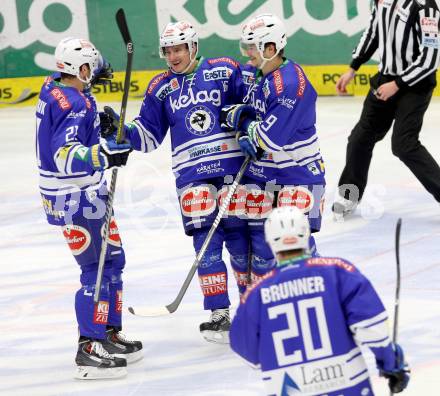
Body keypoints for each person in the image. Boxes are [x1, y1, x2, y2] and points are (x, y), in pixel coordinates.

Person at [104, 21, 250, 343]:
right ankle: (219, 314)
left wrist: (248, 121)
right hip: (191, 176)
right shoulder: (160, 87)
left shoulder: (225, 70)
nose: (173, 56)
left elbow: (252, 103)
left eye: (179, 49)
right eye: (168, 51)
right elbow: (147, 136)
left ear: (193, 47)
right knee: (205, 245)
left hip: (232, 167)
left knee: (241, 240)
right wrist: (121, 131)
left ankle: (252, 308)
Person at [35, 37, 142, 379]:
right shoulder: (74, 103)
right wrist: (102, 153)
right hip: (74, 196)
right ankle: (88, 346)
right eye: (92, 69)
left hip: (84, 193)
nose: (97, 73)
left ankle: (107, 334)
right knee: (95, 269)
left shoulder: (59, 89)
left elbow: (71, 134)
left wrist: (99, 133)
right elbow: (63, 155)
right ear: (80, 70)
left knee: (113, 260)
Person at [230, 206, 410, 395]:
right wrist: (391, 363)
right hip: (347, 384)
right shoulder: (338, 271)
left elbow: (245, 349)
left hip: (287, 387)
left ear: (270, 241)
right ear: (306, 233)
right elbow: (372, 327)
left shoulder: (256, 292)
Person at [220, 14, 326, 280]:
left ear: (271, 48)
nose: (247, 54)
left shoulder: (290, 84)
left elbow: (268, 139)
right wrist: (246, 121)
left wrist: (244, 122)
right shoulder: (261, 74)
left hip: (299, 176)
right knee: (264, 252)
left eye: (252, 48)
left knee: (296, 246)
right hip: (267, 175)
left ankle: (317, 296)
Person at [332, 0, 440, 218]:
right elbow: (373, 31)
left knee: (404, 145)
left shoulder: (426, 6)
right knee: (360, 138)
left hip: (414, 86)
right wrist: (353, 67)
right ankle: (349, 195)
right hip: (385, 80)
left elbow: (430, 59)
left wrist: (397, 84)